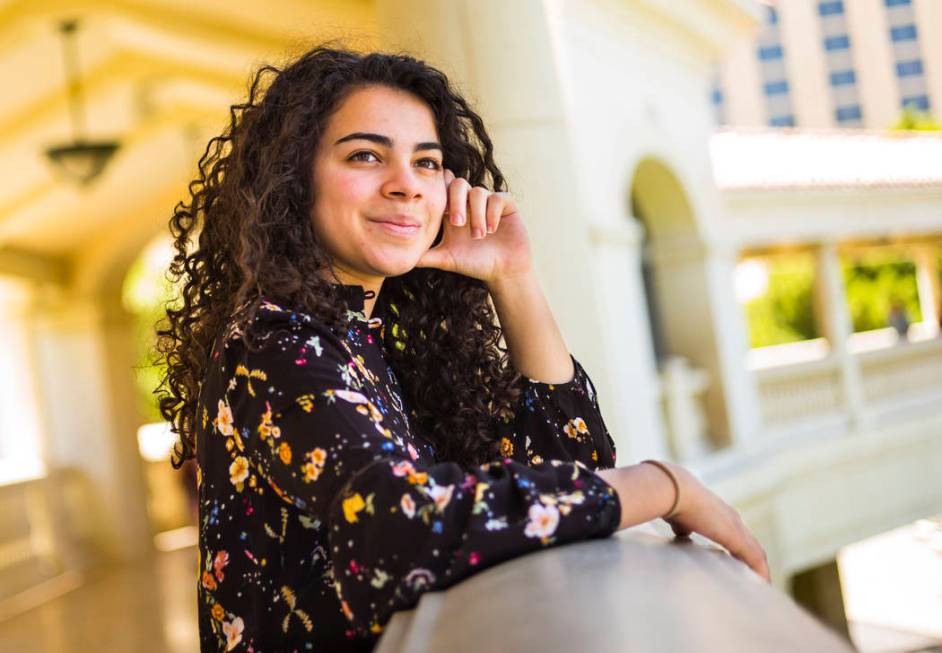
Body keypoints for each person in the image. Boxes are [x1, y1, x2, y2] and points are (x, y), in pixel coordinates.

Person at [157, 46, 769, 652]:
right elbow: (401, 530)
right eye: (366, 155)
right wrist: (667, 486)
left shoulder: (372, 343)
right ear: (294, 179)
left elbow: (575, 468)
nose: (406, 186)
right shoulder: (276, 342)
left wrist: (513, 277)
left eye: (427, 164)